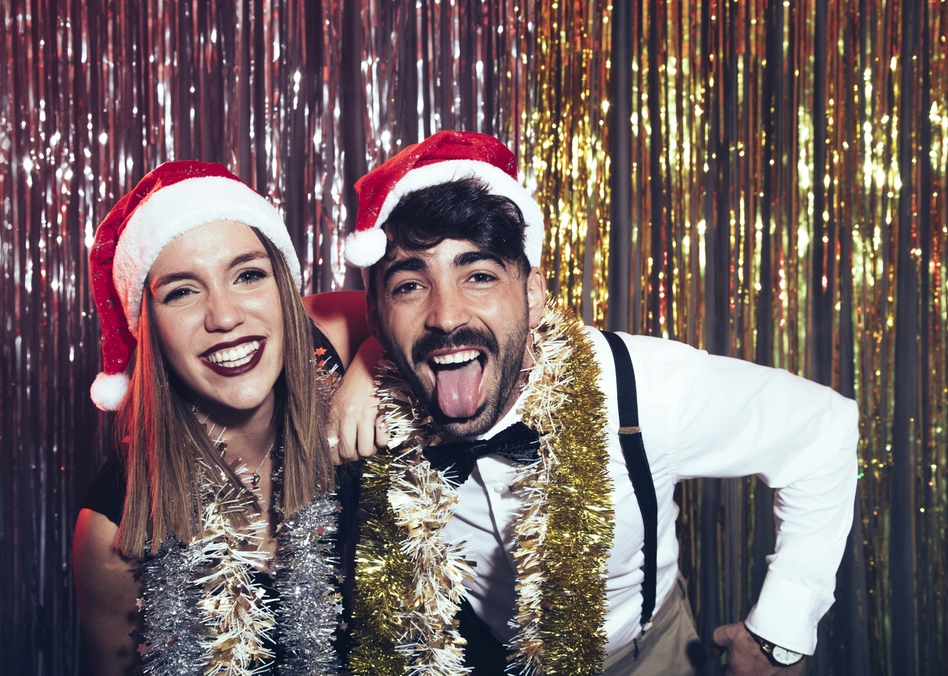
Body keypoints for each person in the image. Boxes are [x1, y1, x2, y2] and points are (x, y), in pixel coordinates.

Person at [333, 131, 860, 675]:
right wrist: (367, 359)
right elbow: (282, 315)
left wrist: (780, 632)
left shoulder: (645, 387)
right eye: (409, 286)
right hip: (475, 657)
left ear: (533, 294)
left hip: (641, 656)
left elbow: (825, 429)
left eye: (480, 275)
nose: (446, 316)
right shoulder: (379, 389)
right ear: (376, 315)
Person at [72, 161, 365, 676]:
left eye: (248, 275)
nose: (225, 317)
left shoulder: (335, 342)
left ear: (284, 291)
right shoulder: (112, 531)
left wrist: (367, 367)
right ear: (150, 327)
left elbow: (423, 315)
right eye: (182, 291)